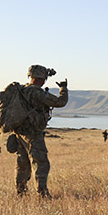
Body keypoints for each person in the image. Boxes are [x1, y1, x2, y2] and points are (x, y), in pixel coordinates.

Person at [13, 65, 68, 197]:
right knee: (41, 163)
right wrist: (63, 88)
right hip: (32, 134)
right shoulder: (36, 92)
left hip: (19, 133)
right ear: (41, 79)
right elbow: (61, 102)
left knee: (23, 163)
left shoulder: (22, 90)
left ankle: (21, 192)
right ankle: (42, 194)